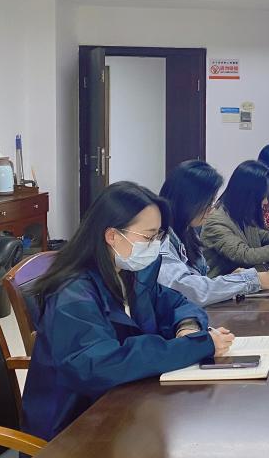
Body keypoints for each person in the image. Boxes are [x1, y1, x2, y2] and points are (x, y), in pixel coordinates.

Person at [21, 182, 233, 441]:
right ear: (112, 236)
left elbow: (176, 303)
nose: (155, 246)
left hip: (122, 406)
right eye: (148, 237)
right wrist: (194, 346)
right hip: (71, 430)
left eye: (158, 237)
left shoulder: (129, 272)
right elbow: (101, 364)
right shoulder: (73, 293)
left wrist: (187, 327)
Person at [158, 160, 269, 306]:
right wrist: (249, 280)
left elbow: (199, 280)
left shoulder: (187, 231)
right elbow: (191, 291)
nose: (211, 209)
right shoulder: (161, 239)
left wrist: (231, 279)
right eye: (208, 203)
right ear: (188, 201)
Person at [202, 160, 269, 276]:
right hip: (226, 283)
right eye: (262, 197)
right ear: (248, 195)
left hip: (245, 279)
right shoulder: (216, 221)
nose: (265, 202)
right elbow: (245, 255)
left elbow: (257, 234)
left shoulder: (238, 212)